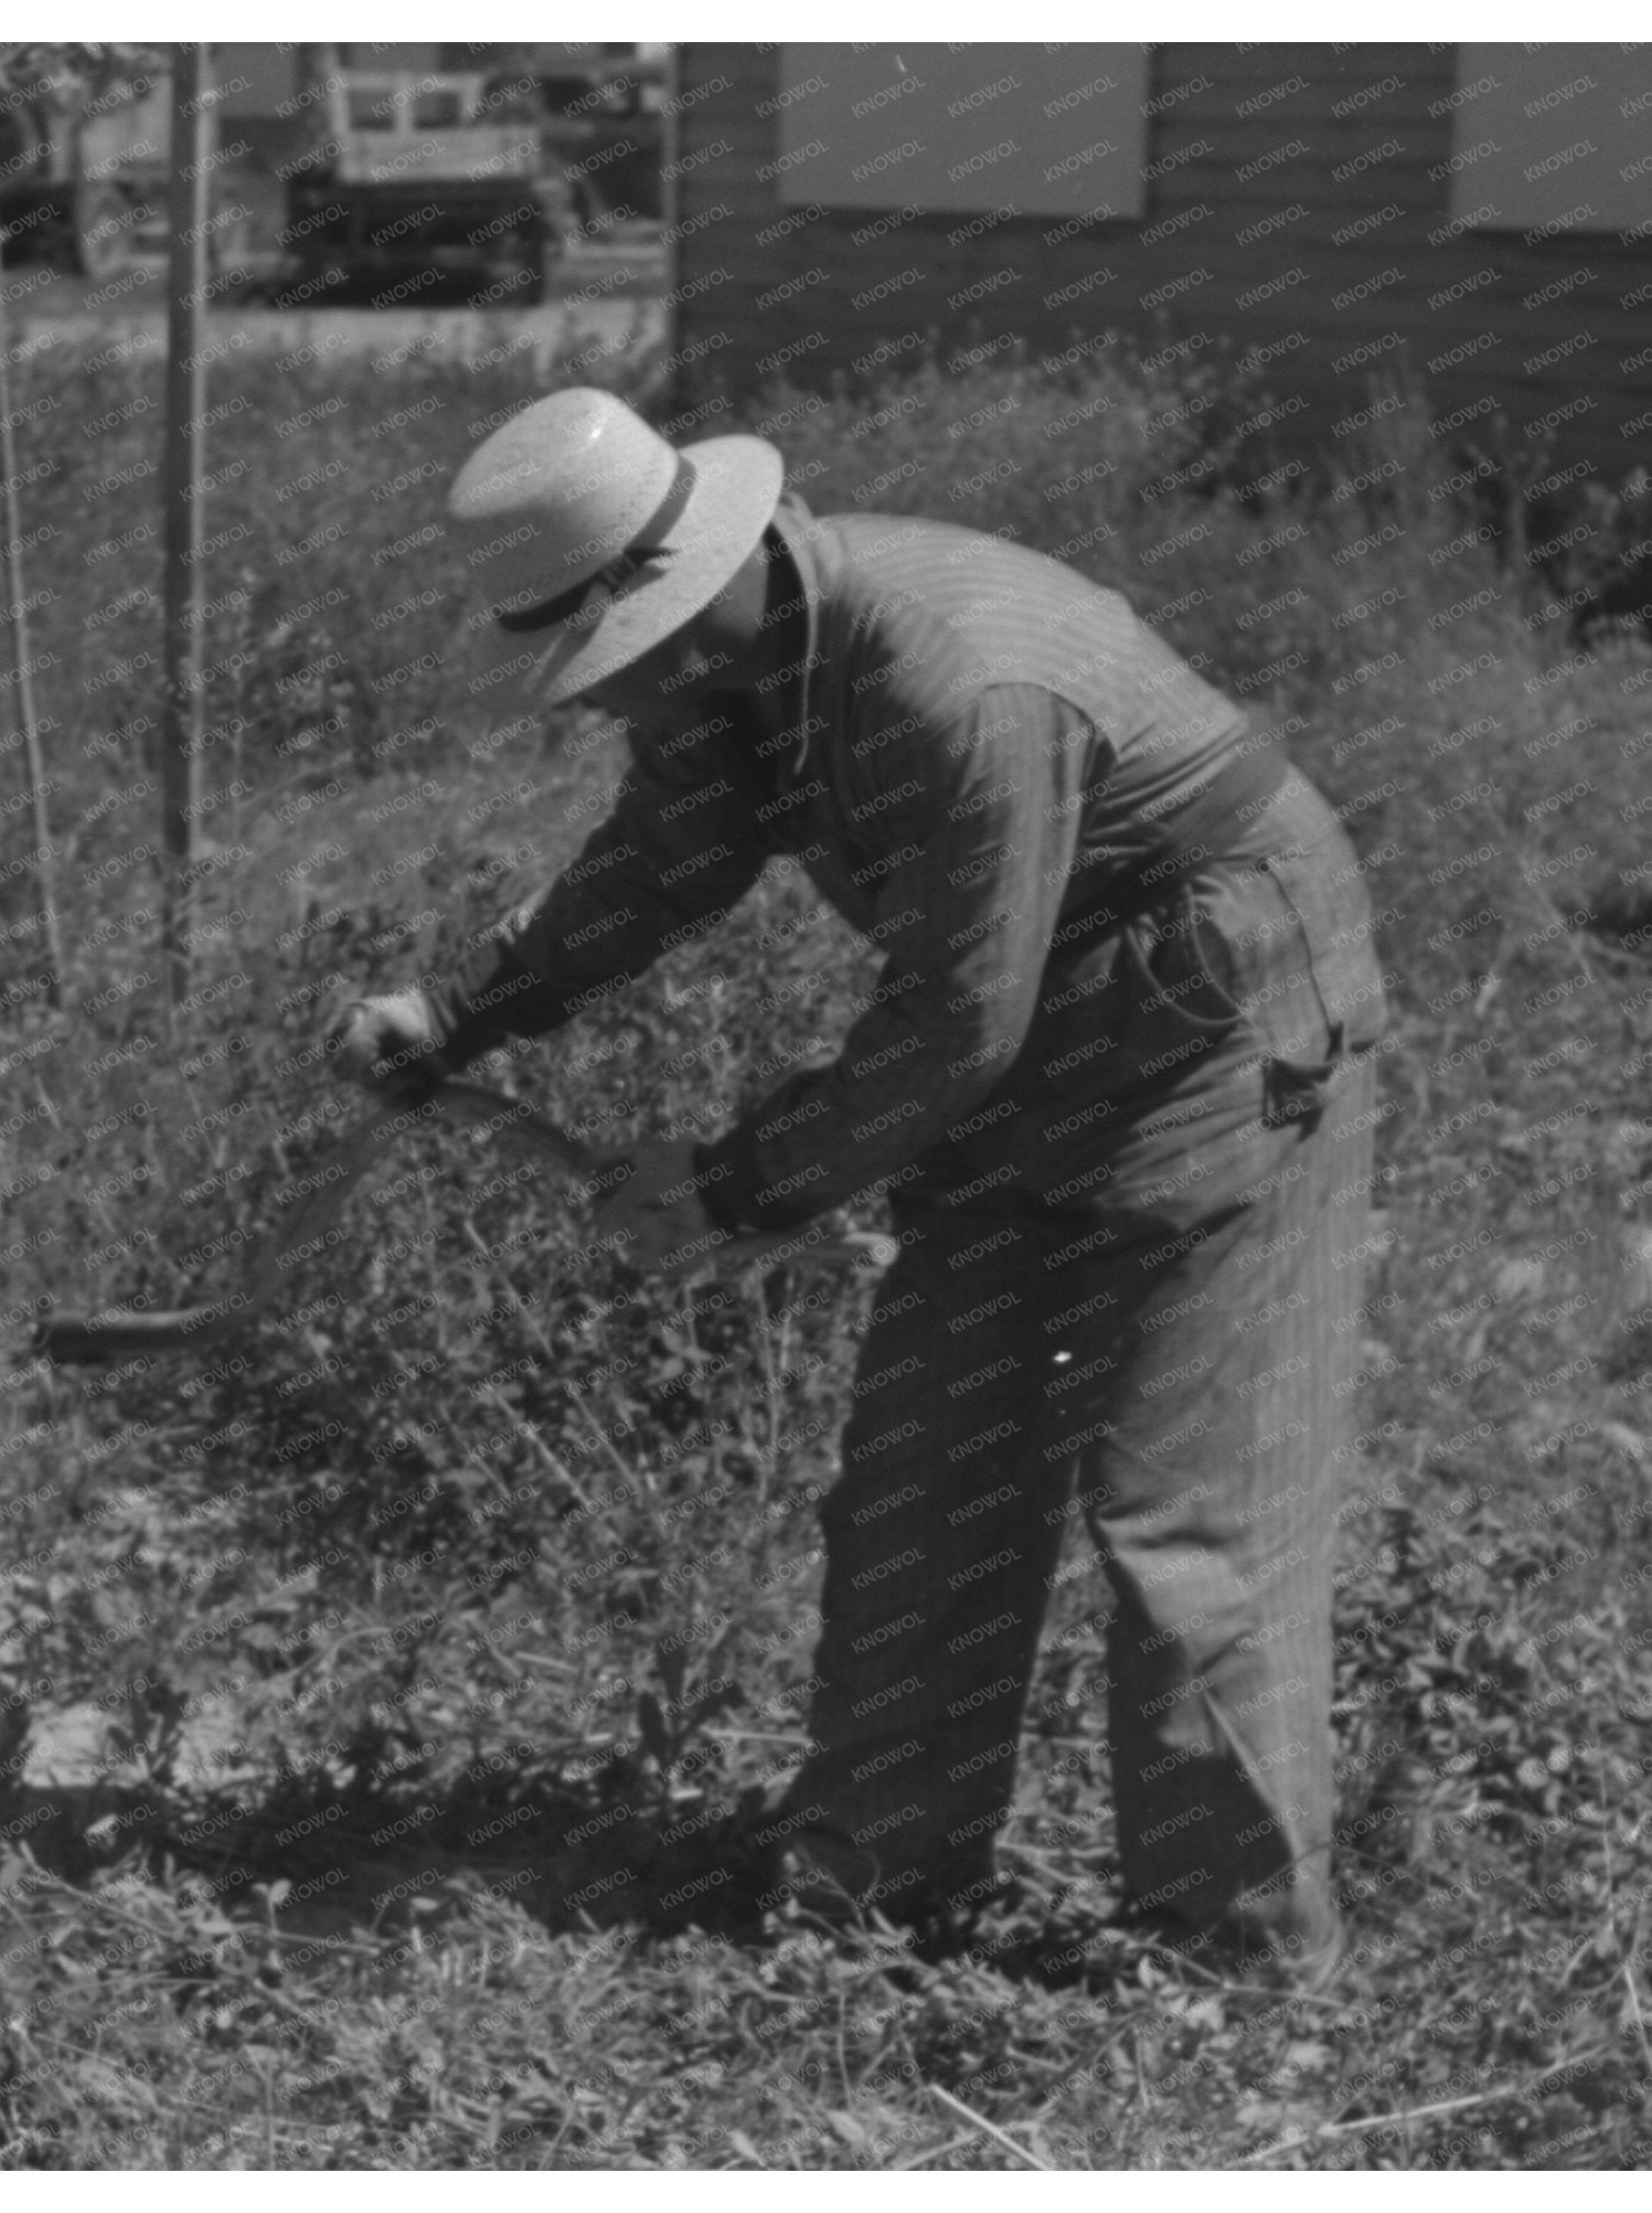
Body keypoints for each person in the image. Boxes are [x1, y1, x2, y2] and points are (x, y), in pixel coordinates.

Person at [327, 387, 1388, 1988]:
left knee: (1183, 1526)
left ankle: (1226, 1977)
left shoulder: (951, 679)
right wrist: (468, 1011)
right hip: (1024, 1041)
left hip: (1217, 1041)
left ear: (692, 593)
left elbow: (955, 1019)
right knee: (922, 1488)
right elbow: (664, 856)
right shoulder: (740, 673)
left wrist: (741, 1181)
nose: (624, 701)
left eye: (629, 665)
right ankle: (869, 1911)